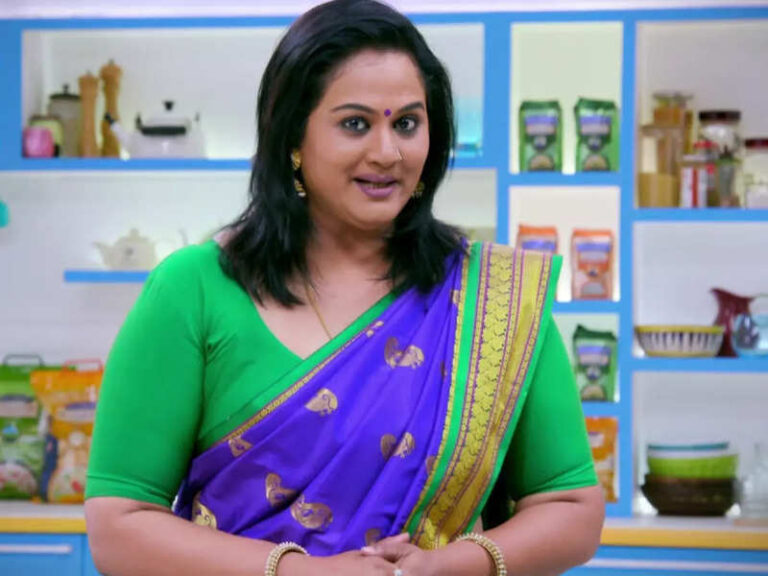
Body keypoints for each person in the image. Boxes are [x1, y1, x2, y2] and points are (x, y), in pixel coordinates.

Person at [85, 1, 604, 574]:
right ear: (293, 137)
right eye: (355, 123)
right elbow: (118, 526)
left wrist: (453, 565)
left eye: (406, 124)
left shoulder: (493, 300)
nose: (387, 152)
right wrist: (302, 572)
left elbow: (571, 508)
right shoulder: (194, 290)